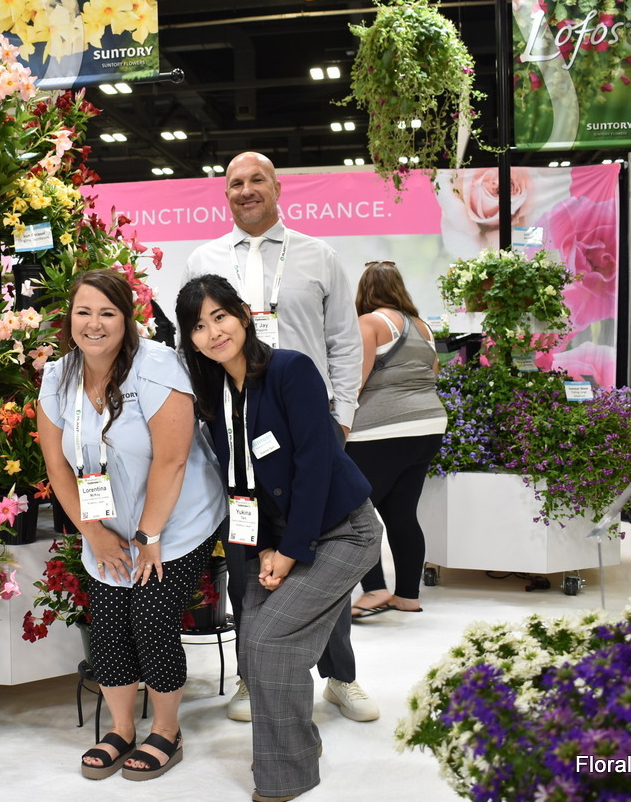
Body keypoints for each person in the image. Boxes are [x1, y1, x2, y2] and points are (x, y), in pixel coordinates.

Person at [182, 150, 376, 724]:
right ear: (225, 193)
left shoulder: (318, 255)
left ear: (276, 187)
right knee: (247, 560)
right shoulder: (204, 259)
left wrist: (342, 419)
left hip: (304, 426)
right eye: (235, 183)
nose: (246, 190)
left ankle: (340, 677)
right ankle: (252, 674)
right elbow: (192, 341)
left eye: (257, 180)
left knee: (316, 550)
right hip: (234, 428)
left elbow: (344, 341)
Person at [175, 274, 381, 802]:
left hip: (343, 530)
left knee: (270, 641)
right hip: (274, 535)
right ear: (190, 339)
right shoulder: (214, 394)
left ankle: (287, 774)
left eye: (220, 316)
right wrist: (266, 545)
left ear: (244, 315)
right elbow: (240, 481)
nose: (213, 332)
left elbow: (315, 466)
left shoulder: (290, 369)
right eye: (198, 326)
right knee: (256, 646)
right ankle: (295, 746)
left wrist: (289, 552)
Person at [36, 269, 225, 781]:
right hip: (107, 526)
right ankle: (120, 729)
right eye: (83, 312)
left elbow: (173, 459)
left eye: (107, 313)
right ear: (69, 318)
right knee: (108, 624)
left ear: (127, 319)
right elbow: (57, 465)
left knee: (152, 617)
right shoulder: (59, 376)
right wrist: (93, 533)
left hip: (177, 522)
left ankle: (166, 731)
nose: (93, 324)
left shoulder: (156, 365)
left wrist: (149, 536)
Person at [343, 262, 447, 618]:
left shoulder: (369, 323)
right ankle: (407, 596)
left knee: (353, 512)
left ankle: (374, 589)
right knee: (402, 514)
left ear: (365, 290)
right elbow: (432, 374)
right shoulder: (423, 327)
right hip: (428, 426)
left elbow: (355, 382)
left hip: (382, 430)